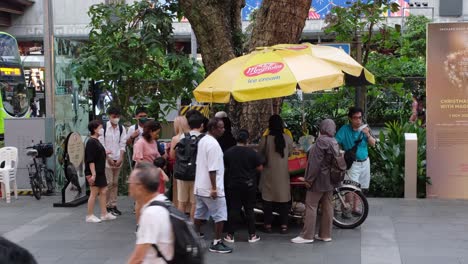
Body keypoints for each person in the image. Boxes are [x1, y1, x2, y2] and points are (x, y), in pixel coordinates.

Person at [291, 119, 339, 244]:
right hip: (330, 180)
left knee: (311, 205)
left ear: (322, 128)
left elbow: (314, 164)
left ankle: (307, 236)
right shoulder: (334, 142)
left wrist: (309, 180)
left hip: (318, 180)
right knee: (328, 206)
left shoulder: (321, 142)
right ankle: (325, 234)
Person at [194, 117, 232, 254]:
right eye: (220, 127)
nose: (223, 130)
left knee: (200, 214)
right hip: (212, 189)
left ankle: (195, 238)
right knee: (220, 216)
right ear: (213, 129)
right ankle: (217, 242)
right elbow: (212, 169)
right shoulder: (214, 145)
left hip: (200, 186)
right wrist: (215, 188)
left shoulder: (203, 140)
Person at [127, 162, 174, 264]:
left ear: (140, 186)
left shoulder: (151, 214)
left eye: (130, 182)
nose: (129, 186)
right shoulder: (163, 201)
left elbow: (137, 258)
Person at [223, 129, 263, 244]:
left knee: (234, 209)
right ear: (247, 140)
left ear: (237, 139)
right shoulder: (252, 153)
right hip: (249, 185)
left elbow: (225, 166)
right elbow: (260, 168)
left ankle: (230, 235)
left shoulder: (228, 152)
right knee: (249, 209)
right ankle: (252, 235)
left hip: (233, 184)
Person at [259, 114, 293, 234]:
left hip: (268, 173)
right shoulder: (288, 138)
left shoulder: (266, 139)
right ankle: (284, 225)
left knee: (267, 201)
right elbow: (290, 154)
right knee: (284, 200)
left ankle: (268, 225)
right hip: (283, 174)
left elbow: (260, 154)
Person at [133, 120, 169, 222]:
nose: (157, 135)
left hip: (152, 173)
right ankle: (139, 224)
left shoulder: (153, 142)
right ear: (150, 131)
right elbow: (139, 160)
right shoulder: (140, 143)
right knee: (140, 201)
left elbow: (156, 155)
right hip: (142, 174)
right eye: (156, 133)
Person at [335, 107, 376, 191]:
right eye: (355, 118)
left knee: (361, 188)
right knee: (352, 188)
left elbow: (373, 144)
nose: (358, 120)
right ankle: (350, 204)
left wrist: (367, 134)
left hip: (365, 162)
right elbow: (335, 142)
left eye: (360, 117)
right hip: (353, 163)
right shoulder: (344, 129)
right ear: (350, 118)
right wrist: (341, 154)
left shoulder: (365, 129)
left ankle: (357, 204)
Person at [85, 120, 117, 223]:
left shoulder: (97, 141)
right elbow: (90, 160)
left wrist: (105, 152)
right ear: (94, 129)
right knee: (94, 193)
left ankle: (104, 214)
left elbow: (98, 153)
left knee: (103, 191)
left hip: (100, 171)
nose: (102, 129)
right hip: (94, 172)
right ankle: (89, 215)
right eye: (100, 127)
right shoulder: (91, 142)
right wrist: (92, 174)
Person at [99, 106, 127, 216]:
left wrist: (121, 157)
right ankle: (106, 206)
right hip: (107, 159)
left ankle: (113, 205)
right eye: (114, 116)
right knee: (108, 183)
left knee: (115, 183)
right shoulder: (104, 128)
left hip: (118, 158)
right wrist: (108, 157)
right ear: (109, 116)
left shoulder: (121, 128)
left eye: (118, 116)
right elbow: (102, 144)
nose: (116, 118)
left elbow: (123, 144)